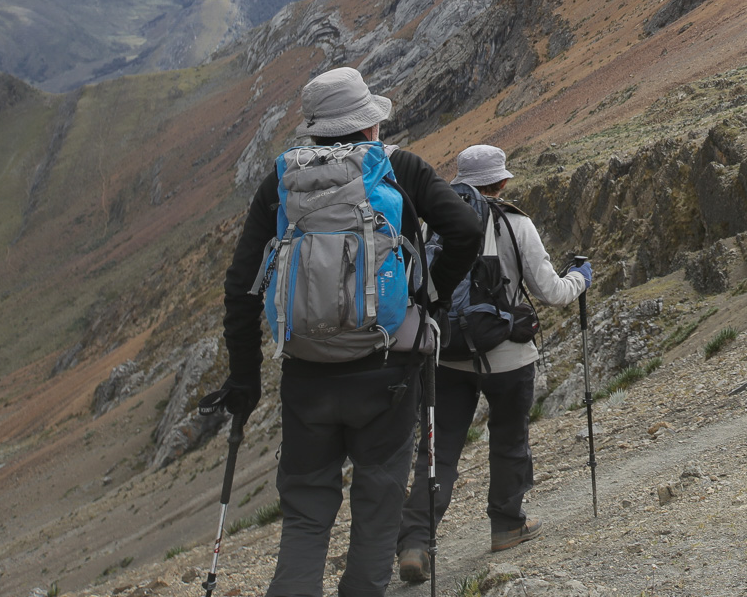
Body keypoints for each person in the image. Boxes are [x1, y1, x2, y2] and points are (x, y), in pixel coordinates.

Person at [219, 67, 484, 597]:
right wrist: (427, 297)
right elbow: (466, 230)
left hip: (306, 376)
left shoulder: (282, 182)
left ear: (315, 132)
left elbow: (240, 286)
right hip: (386, 371)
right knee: (378, 501)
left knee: (305, 514)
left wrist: (244, 381)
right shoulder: (400, 169)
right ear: (368, 128)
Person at [396, 146, 594, 583]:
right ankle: (507, 524)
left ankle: (414, 541)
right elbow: (551, 291)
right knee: (508, 438)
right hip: (508, 355)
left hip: (446, 354)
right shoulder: (516, 223)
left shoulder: (437, 223)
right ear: (501, 183)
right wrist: (581, 278)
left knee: (438, 449)